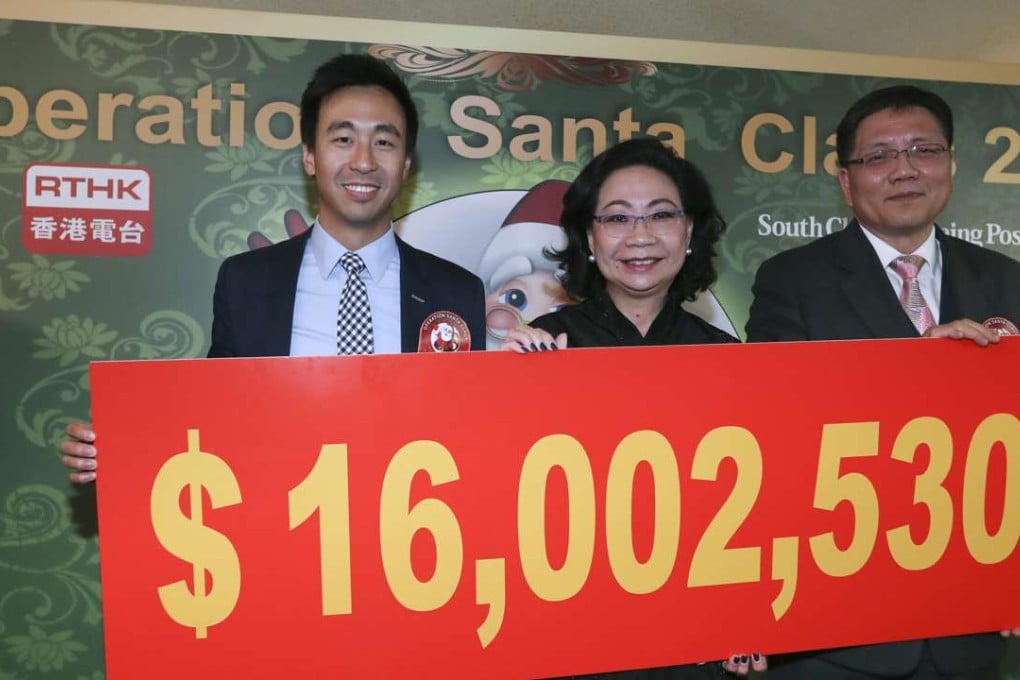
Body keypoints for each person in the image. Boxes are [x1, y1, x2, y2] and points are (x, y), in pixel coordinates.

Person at [60, 53, 485, 482]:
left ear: (406, 164)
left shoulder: (457, 292)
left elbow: (474, 428)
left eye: (384, 142)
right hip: (279, 527)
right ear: (309, 157)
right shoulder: (246, 282)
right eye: (342, 139)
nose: (363, 161)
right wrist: (126, 446)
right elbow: (213, 418)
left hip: (412, 529)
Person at [746, 85, 1020, 678]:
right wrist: (910, 371)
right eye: (878, 156)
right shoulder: (791, 279)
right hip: (840, 631)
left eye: (923, 150)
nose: (903, 170)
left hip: (970, 625)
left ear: (950, 166)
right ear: (846, 181)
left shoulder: (1006, 280)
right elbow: (775, 429)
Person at [504, 137, 763, 679]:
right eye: (617, 218)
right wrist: (499, 389)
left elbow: (757, 508)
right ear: (589, 238)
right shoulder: (542, 346)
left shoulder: (729, 360)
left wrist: (749, 612)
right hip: (569, 636)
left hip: (695, 635)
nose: (641, 236)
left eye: (662, 215)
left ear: (689, 232)